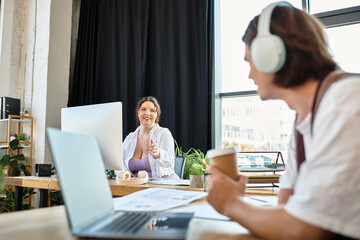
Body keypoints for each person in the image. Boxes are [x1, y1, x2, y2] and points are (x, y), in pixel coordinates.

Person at [206, 2, 360, 240]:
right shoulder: (304, 118)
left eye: (249, 61)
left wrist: (231, 203)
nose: (248, 74)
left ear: (270, 55)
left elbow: (303, 229)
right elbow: (287, 204)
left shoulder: (344, 101)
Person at [121, 96, 179, 179]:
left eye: (152, 110)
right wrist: (125, 171)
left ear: (156, 114)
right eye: (143, 109)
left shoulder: (164, 133)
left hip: (164, 181)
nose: (147, 113)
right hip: (137, 183)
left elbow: (170, 160)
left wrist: (158, 153)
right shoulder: (130, 138)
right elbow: (120, 161)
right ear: (138, 113)